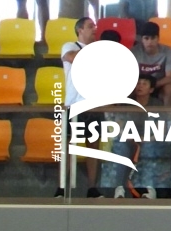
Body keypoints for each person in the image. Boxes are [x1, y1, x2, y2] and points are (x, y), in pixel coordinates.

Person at [61, 16, 103, 197]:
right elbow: (71, 57)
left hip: (93, 104)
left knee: (93, 147)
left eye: (94, 26)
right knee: (68, 146)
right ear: (80, 30)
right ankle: (62, 186)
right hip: (73, 104)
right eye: (90, 26)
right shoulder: (70, 46)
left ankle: (92, 187)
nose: (94, 29)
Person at [134, 21, 171, 106]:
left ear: (158, 38)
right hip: (139, 85)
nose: (150, 42)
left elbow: (170, 77)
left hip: (159, 85)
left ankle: (170, 114)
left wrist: (151, 86)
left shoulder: (168, 51)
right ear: (142, 39)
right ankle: (124, 113)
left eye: (153, 38)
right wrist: (142, 86)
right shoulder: (134, 52)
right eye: (146, 38)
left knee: (170, 89)